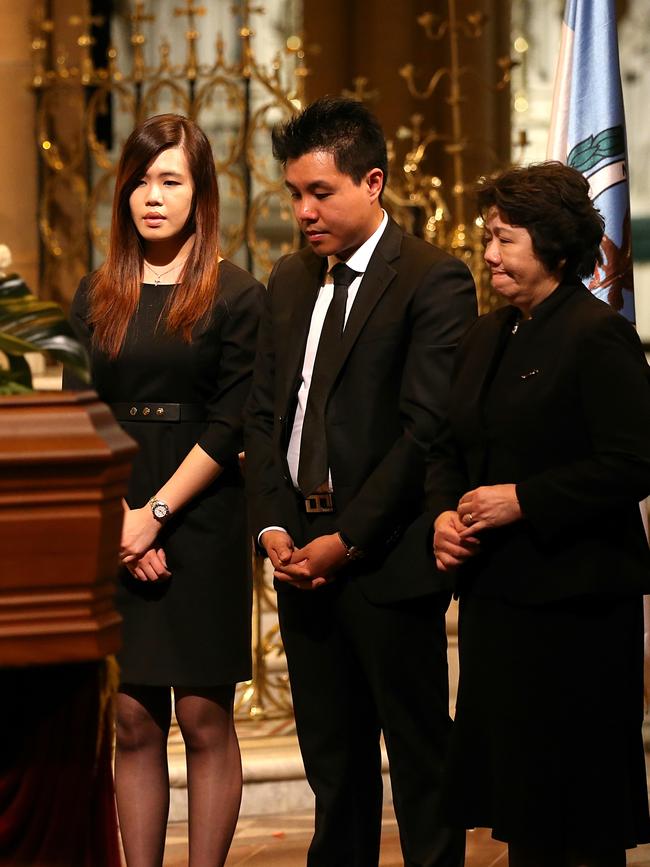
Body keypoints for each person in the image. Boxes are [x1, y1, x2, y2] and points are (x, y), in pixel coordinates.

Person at [244, 96, 477, 867]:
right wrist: (276, 527)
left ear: (372, 182)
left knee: (417, 760)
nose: (303, 210)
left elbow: (424, 430)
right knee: (333, 768)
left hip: (385, 554)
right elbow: (264, 418)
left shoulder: (430, 279)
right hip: (299, 548)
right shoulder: (285, 280)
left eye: (321, 192)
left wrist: (347, 538)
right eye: (294, 194)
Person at [430, 161, 650, 867]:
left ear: (554, 244)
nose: (489, 254)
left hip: (577, 614)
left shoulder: (596, 333)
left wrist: (525, 498)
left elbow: (633, 460)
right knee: (522, 814)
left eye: (505, 238)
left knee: (578, 823)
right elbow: (448, 443)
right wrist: (442, 513)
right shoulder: (489, 335)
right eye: (487, 236)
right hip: (502, 610)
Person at [65, 113, 263, 867]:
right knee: (133, 719)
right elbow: (83, 408)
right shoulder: (98, 291)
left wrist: (153, 516)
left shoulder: (235, 293)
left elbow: (229, 420)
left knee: (205, 716)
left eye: (170, 180)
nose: (152, 195)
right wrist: (120, 519)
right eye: (141, 180)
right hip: (117, 511)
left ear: (199, 194)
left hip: (201, 517)